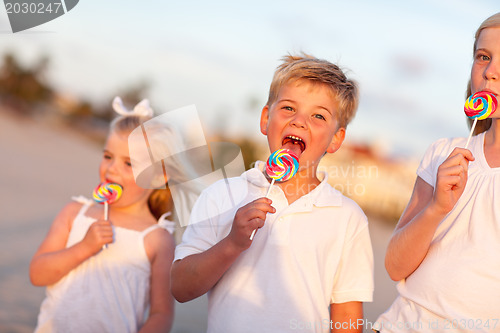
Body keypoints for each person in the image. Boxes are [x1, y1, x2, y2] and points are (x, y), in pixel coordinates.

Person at [171, 54, 374, 333]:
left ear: (336, 139)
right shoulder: (222, 194)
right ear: (266, 119)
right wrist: (232, 243)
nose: (300, 122)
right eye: (289, 108)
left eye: (318, 116)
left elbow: (348, 317)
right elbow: (181, 287)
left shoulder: (348, 218)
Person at [374, 12, 500, 333]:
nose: (490, 72)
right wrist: (436, 209)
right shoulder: (444, 152)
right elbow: (394, 266)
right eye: (482, 57)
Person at [30, 97, 175, 333]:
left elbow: (162, 314)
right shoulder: (75, 213)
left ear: (159, 177)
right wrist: (83, 248)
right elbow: (37, 273)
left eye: (129, 163)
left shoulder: (157, 239)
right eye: (108, 156)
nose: (111, 169)